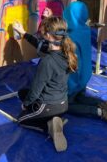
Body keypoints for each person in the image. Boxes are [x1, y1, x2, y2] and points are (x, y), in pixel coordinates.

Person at [63, 1, 107, 129]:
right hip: (85, 77)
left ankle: (100, 112)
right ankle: (106, 104)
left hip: (74, 80)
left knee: (65, 105)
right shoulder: (85, 29)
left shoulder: (69, 36)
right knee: (80, 98)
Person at [13, 17, 77, 152]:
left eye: (43, 33)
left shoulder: (47, 61)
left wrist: (26, 104)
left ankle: (49, 127)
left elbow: (36, 90)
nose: (41, 35)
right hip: (63, 104)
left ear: (48, 36)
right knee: (21, 93)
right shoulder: (66, 52)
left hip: (47, 106)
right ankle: (55, 119)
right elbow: (39, 44)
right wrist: (23, 33)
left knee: (21, 120)